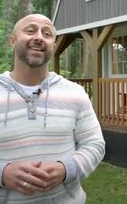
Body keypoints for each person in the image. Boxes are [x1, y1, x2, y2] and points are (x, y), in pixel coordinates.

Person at [0, 14, 105, 203]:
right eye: (30, 30)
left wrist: (66, 168)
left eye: (47, 34)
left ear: (53, 47)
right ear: (12, 41)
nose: (39, 37)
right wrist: (3, 173)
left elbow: (94, 144)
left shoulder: (75, 93)